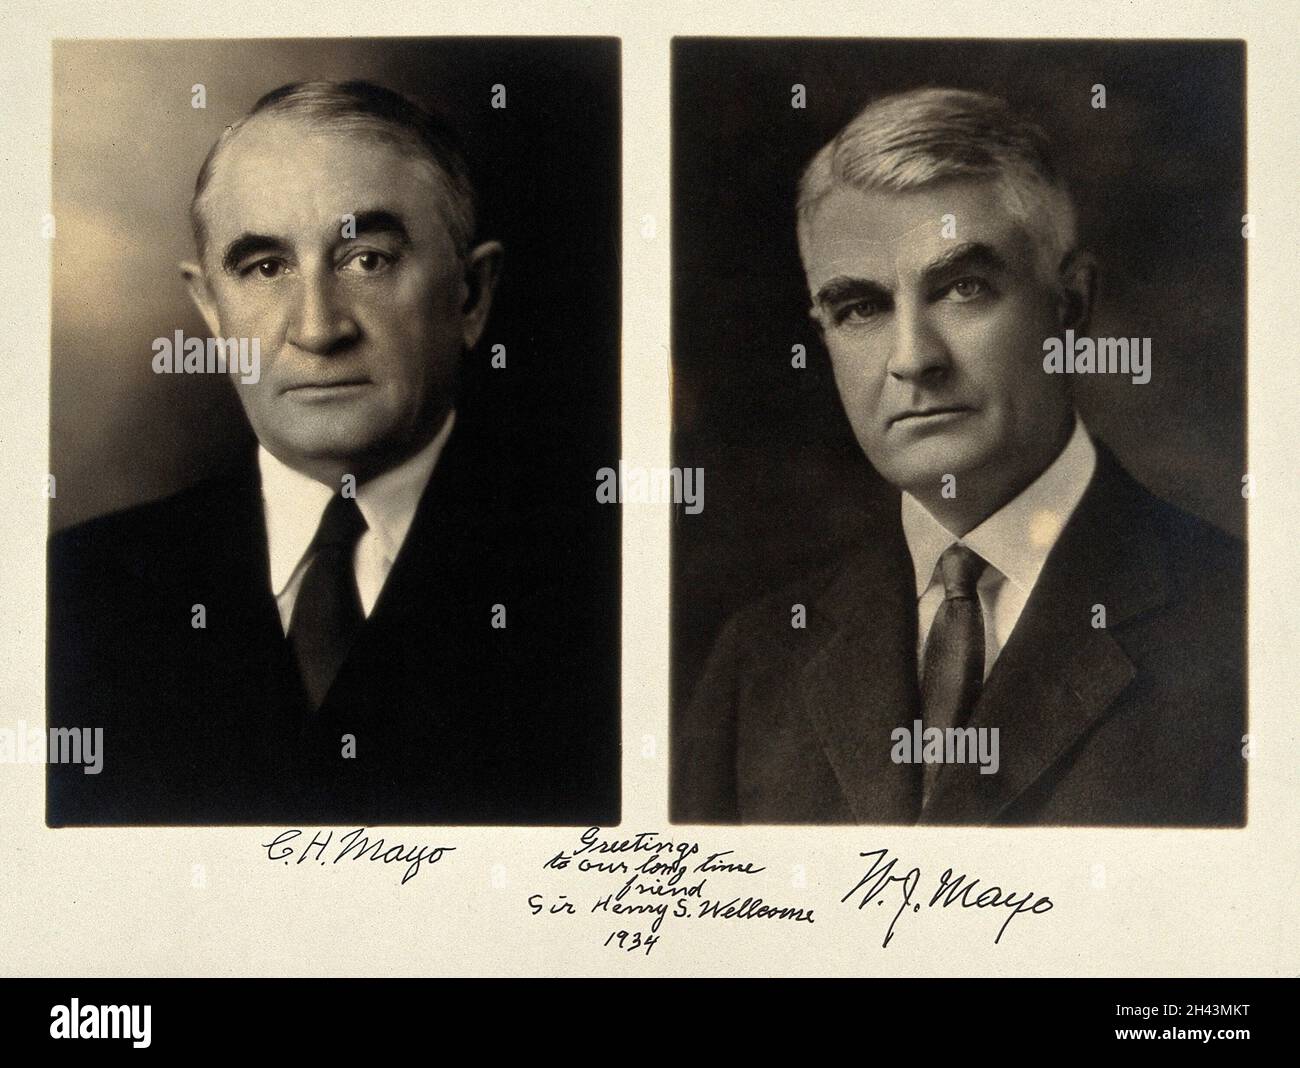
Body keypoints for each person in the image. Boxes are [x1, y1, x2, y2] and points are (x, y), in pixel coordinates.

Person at [48, 80, 619, 825]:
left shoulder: (607, 580)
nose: (317, 329)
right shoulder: (76, 594)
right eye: (265, 268)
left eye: (367, 261)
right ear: (211, 311)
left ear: (471, 295)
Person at [672, 88, 1244, 826]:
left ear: (1069, 307)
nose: (913, 359)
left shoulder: (1248, 627)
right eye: (860, 308)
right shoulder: (756, 665)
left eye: (964, 288)